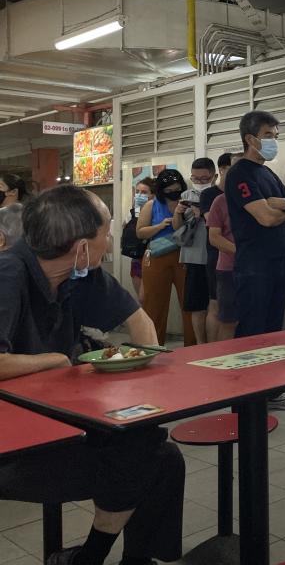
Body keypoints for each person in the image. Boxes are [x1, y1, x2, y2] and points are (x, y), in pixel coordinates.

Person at [0, 185, 184, 565]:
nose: (112, 239)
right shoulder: (8, 274)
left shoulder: (80, 274)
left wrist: (147, 378)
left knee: (162, 454)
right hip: (13, 447)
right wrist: (54, 360)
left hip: (59, 420)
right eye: (106, 232)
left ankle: (109, 559)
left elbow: (140, 323)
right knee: (144, 455)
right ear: (81, 246)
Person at [226, 110, 285, 411]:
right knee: (252, 331)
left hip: (277, 260)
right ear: (250, 138)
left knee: (273, 330)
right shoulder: (240, 174)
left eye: (276, 136)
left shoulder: (268, 173)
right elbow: (266, 218)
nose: (274, 142)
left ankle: (269, 391)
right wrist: (279, 209)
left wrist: (279, 204)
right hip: (254, 264)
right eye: (269, 136)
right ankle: (245, 396)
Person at [136, 169, 193, 346]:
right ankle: (153, 346)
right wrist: (160, 226)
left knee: (190, 303)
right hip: (157, 256)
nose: (173, 193)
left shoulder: (187, 203)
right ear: (161, 190)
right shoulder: (151, 205)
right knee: (155, 305)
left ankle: (192, 345)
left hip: (183, 255)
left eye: (176, 189)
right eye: (168, 190)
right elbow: (140, 232)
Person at [175, 158, 217, 344]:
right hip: (192, 257)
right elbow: (177, 229)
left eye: (204, 178)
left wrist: (204, 215)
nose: (199, 182)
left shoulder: (220, 196)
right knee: (197, 307)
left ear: (214, 176)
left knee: (216, 305)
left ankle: (216, 345)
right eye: (195, 178)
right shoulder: (186, 195)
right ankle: (201, 344)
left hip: (216, 256)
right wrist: (177, 212)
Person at [207, 155, 241, 341]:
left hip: (257, 269)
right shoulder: (220, 201)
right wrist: (241, 251)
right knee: (229, 321)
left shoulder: (260, 198)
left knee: (254, 319)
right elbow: (214, 237)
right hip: (228, 270)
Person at [199, 154, 231, 342]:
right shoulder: (210, 195)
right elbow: (212, 221)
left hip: (240, 259)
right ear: (221, 170)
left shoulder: (243, 192)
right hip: (216, 255)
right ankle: (212, 347)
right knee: (216, 303)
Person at [126, 178, 154, 302]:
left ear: (152, 195)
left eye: (144, 192)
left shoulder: (157, 212)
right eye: (137, 192)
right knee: (141, 300)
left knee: (148, 298)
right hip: (136, 258)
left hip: (152, 257)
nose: (139, 195)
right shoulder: (133, 212)